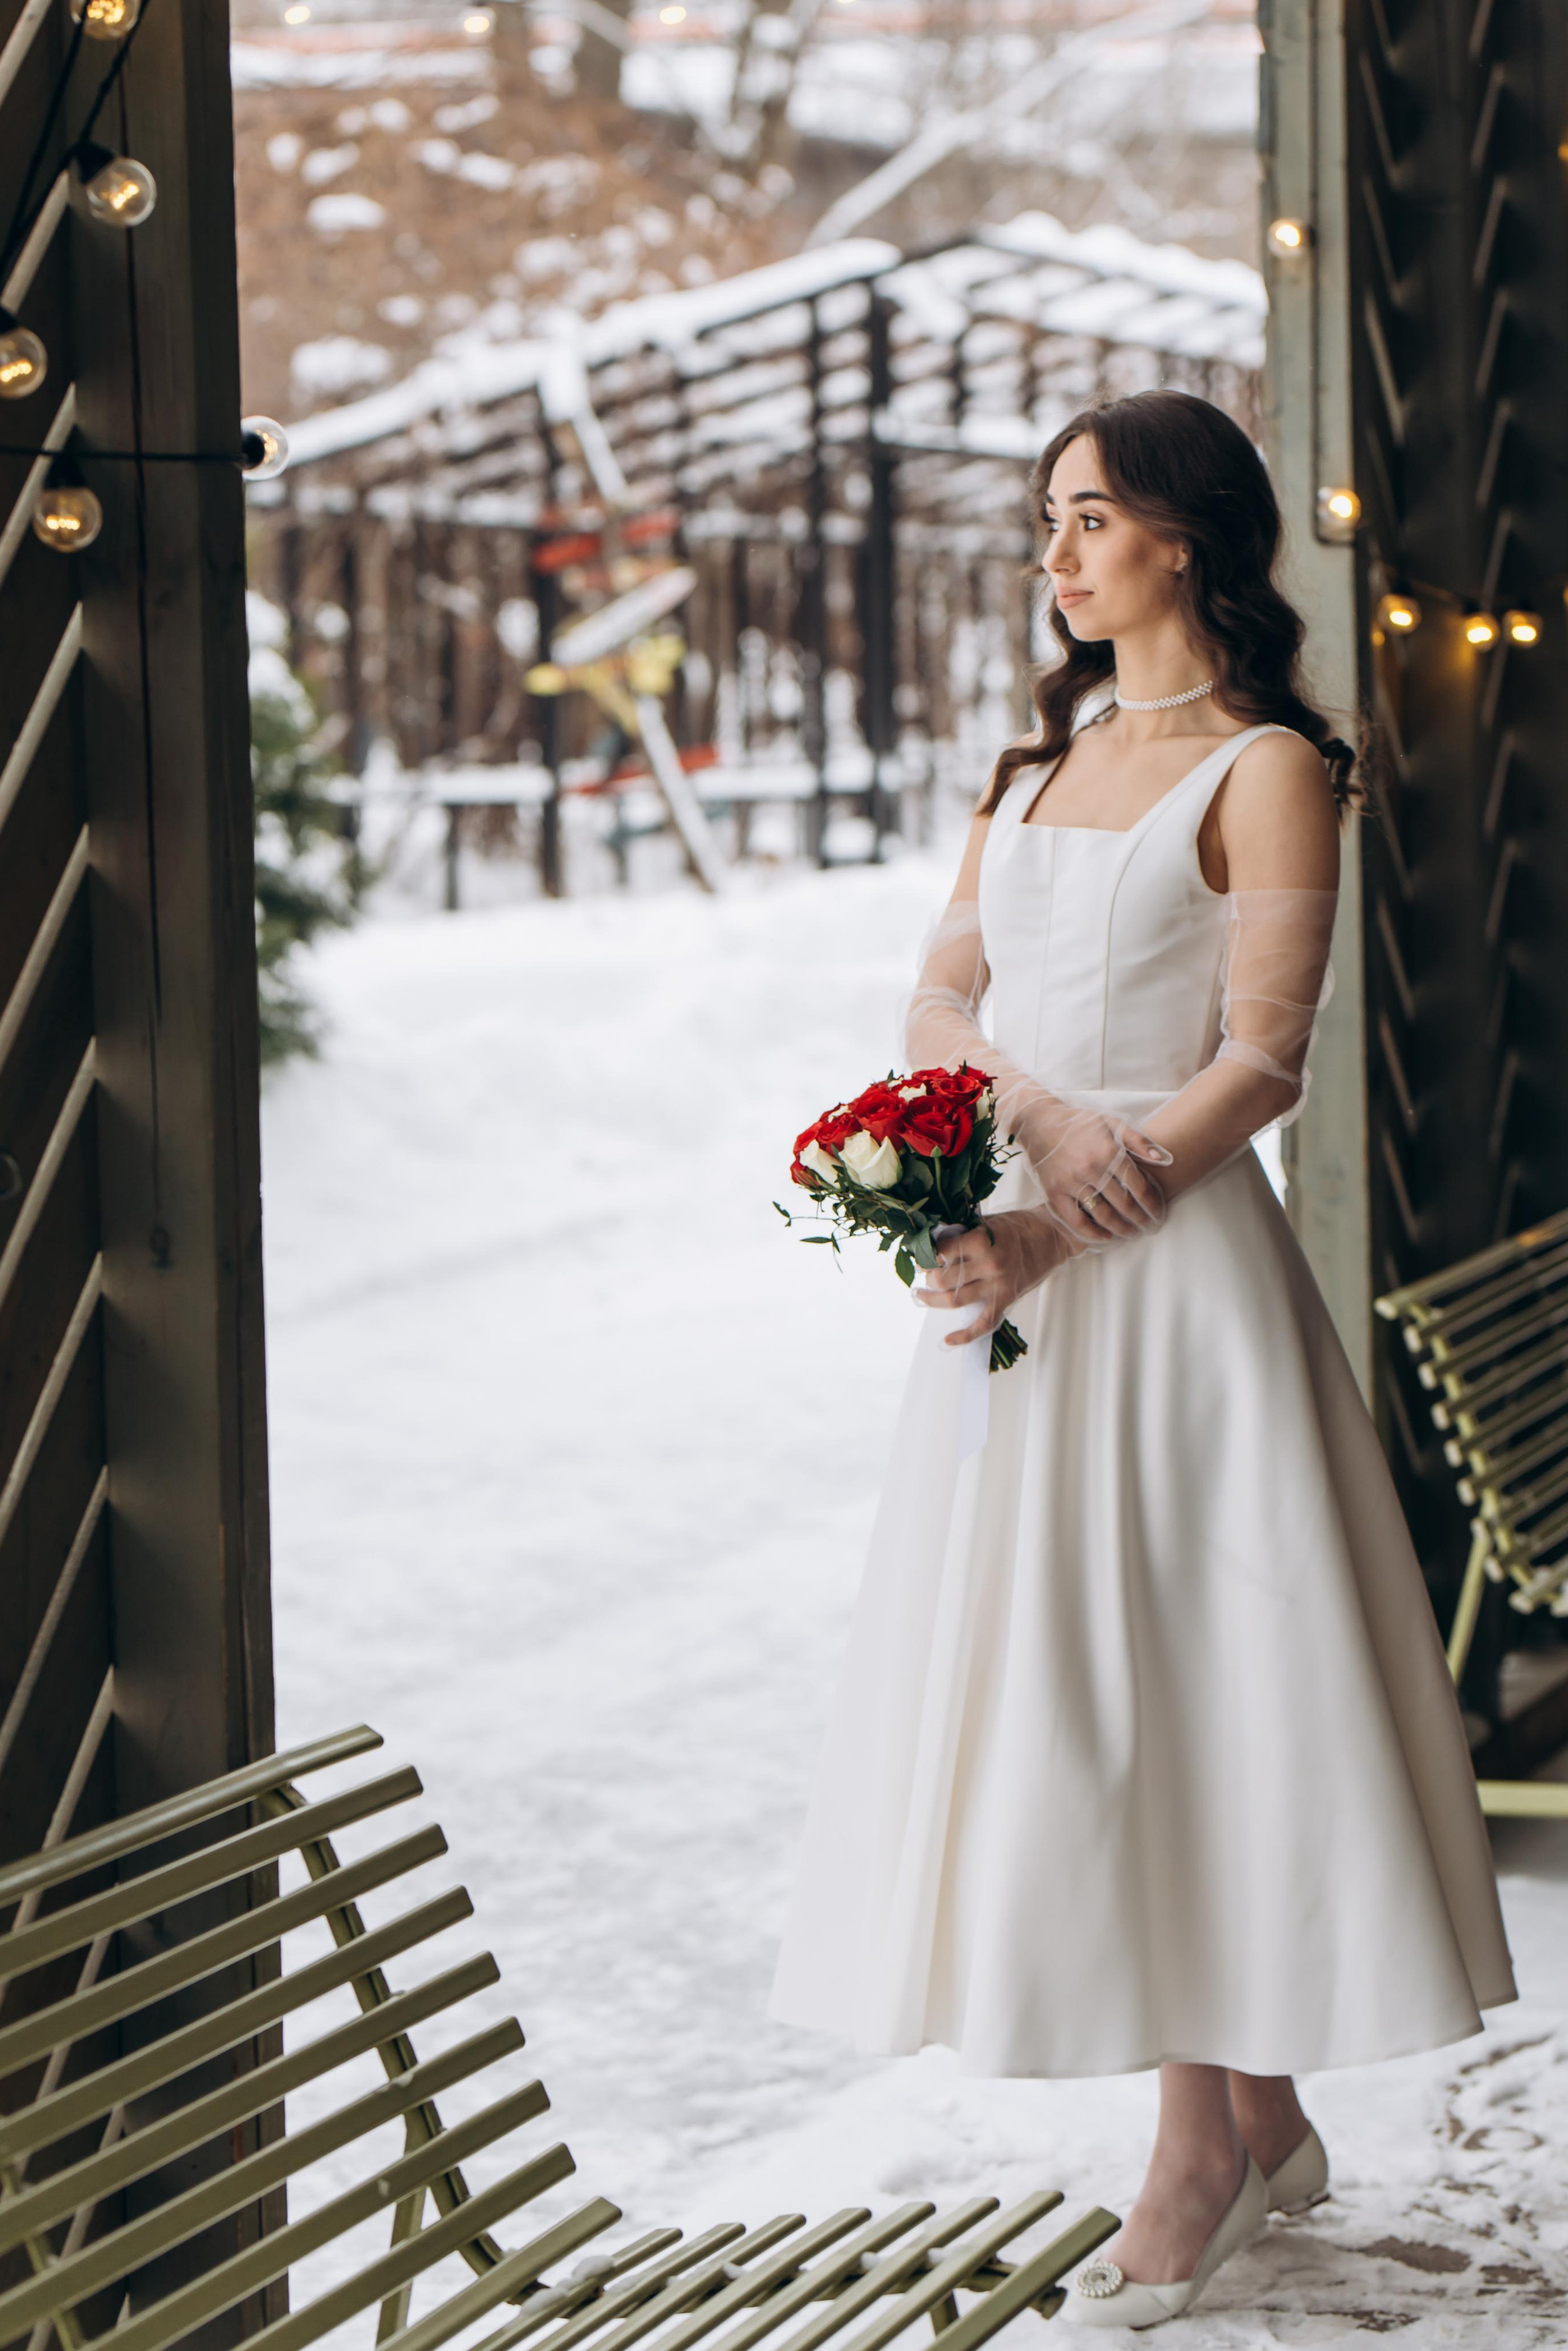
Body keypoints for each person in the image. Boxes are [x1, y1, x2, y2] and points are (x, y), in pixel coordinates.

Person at [770, 391, 1516, 2330]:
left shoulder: (1271, 767)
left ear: (1187, 535)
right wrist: (1011, 1133)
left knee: (1196, 1677)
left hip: (1177, 1288)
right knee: (1076, 1690)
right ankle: (1256, 2114)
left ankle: (1202, 2140)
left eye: (1091, 516)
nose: (1061, 550)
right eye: (1048, 519)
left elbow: (1263, 1055)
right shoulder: (1039, 766)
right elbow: (945, 986)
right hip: (1029, 1271)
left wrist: (1076, 1203)